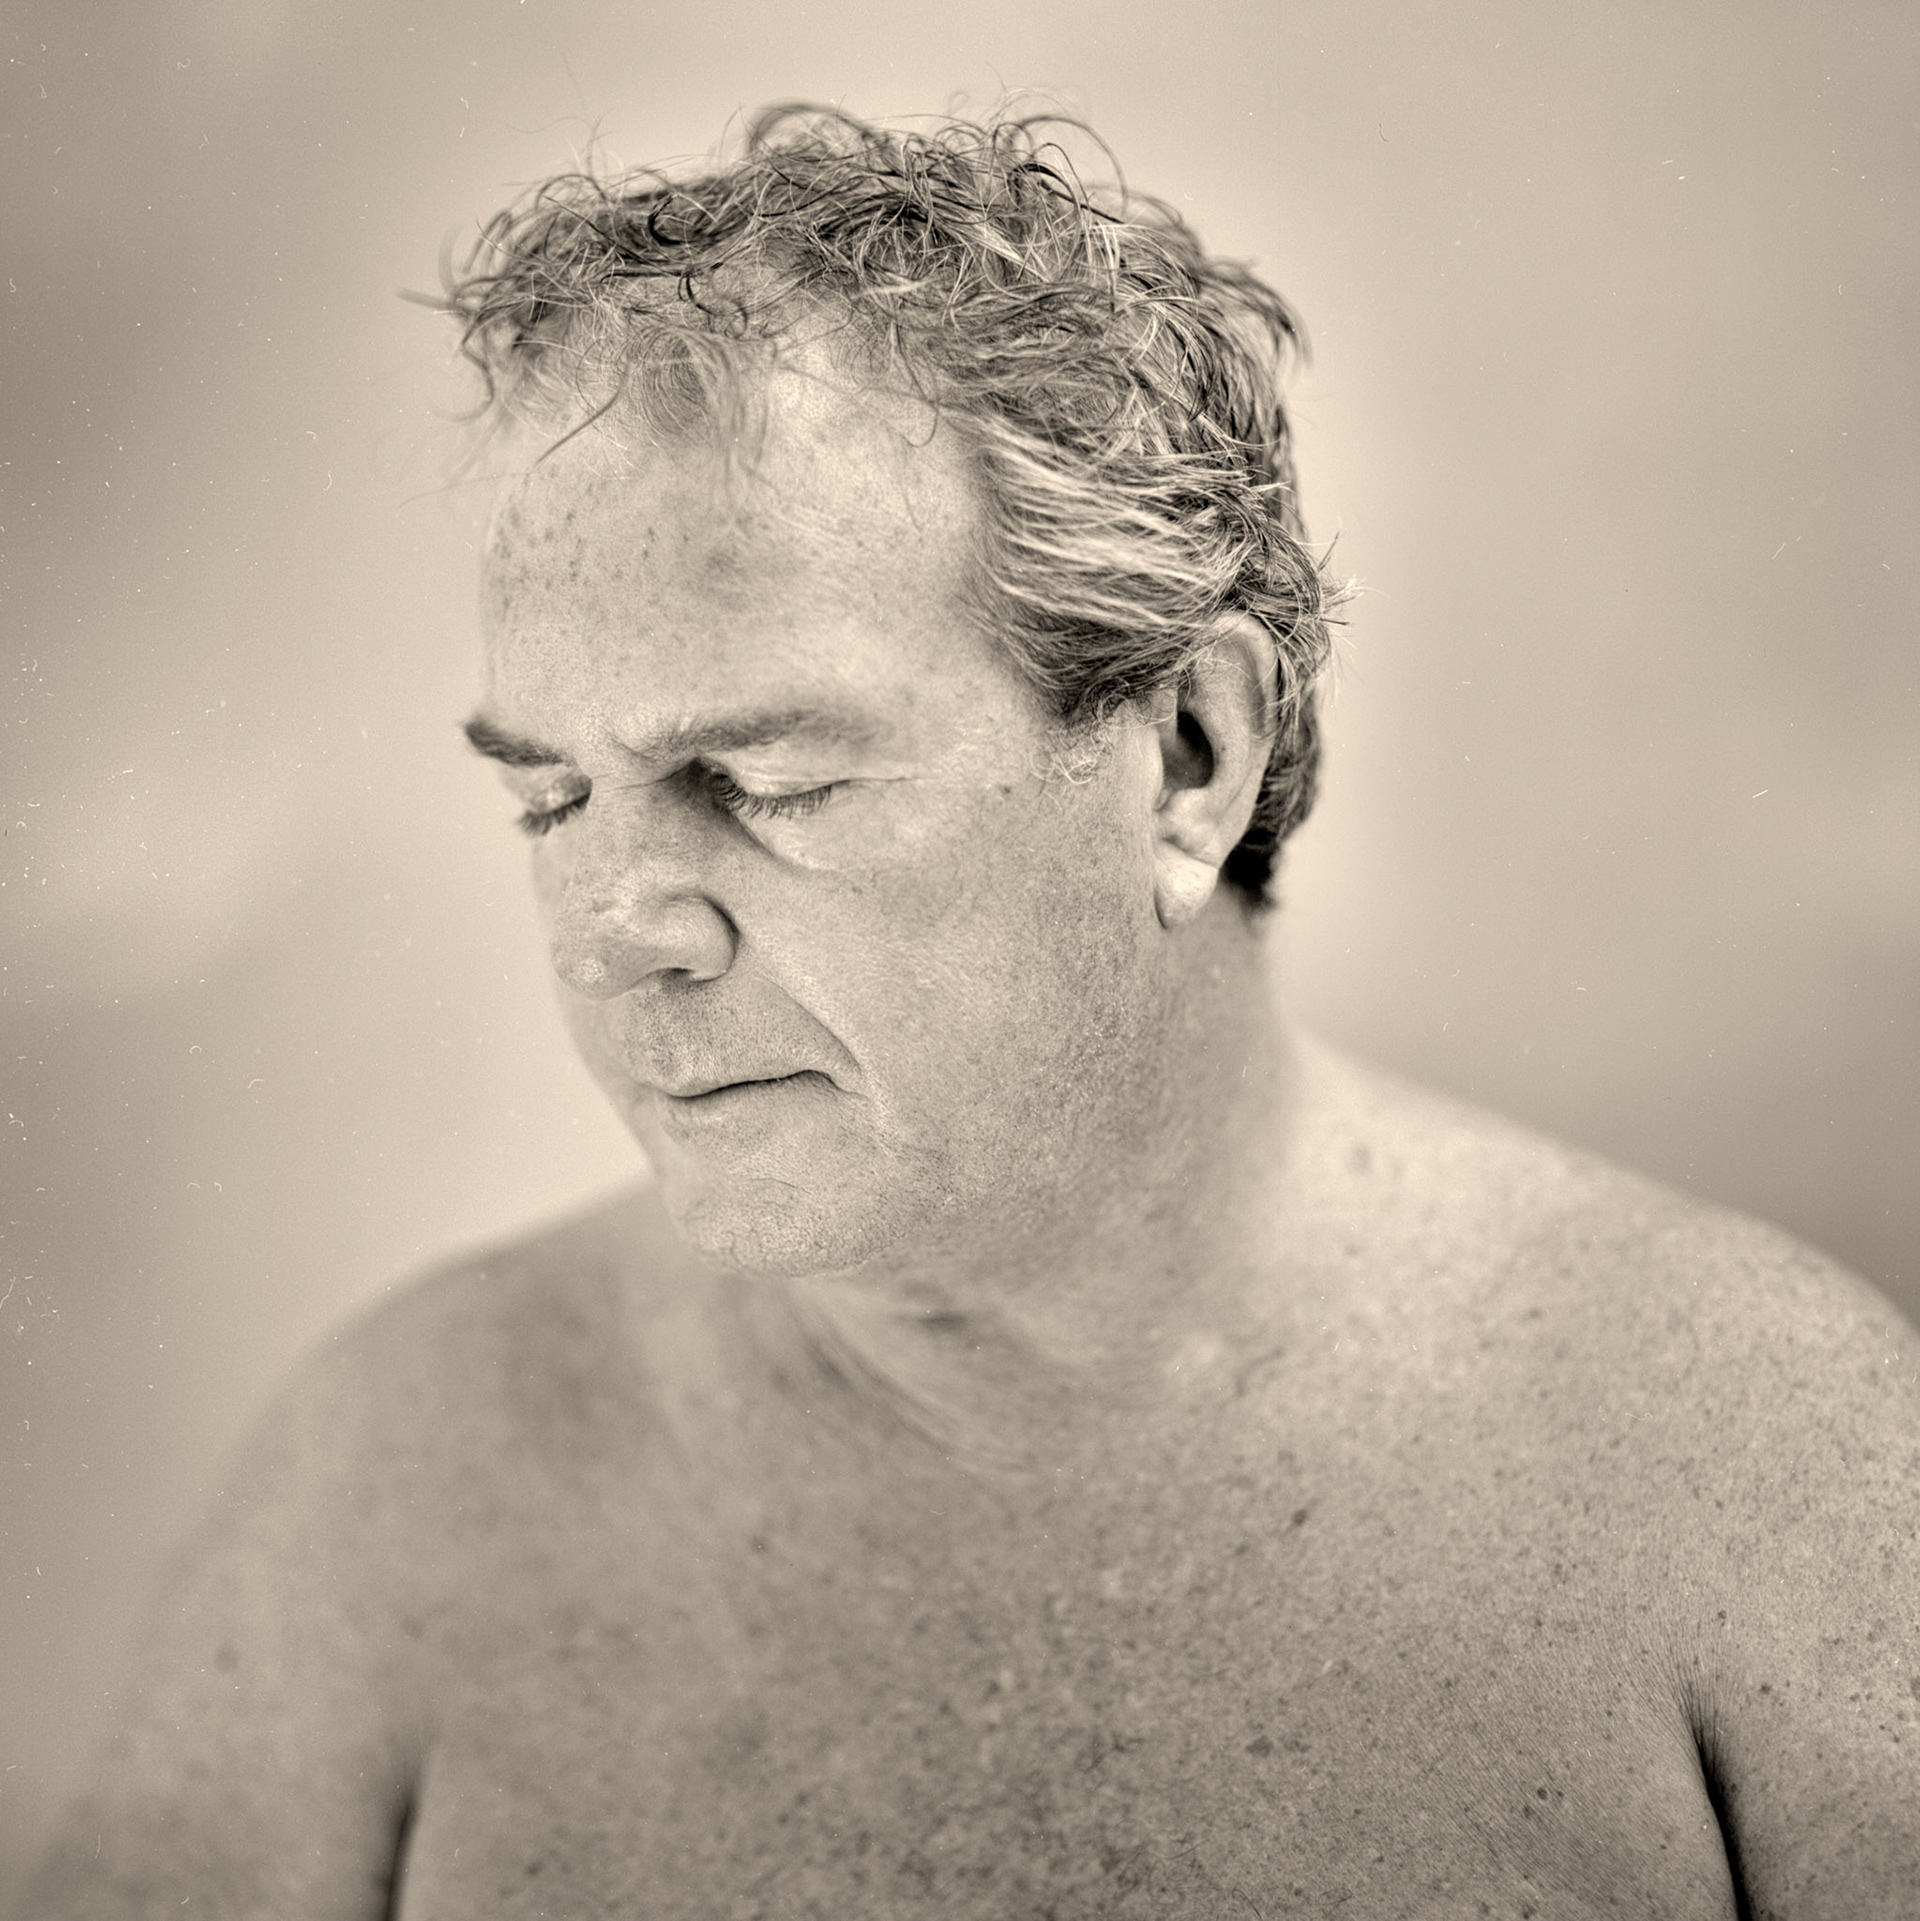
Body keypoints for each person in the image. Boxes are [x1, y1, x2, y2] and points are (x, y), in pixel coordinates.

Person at [20, 107, 1918, 1920]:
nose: (610, 934)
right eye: (549, 797)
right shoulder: (401, 1479)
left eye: (763, 780)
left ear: (1190, 754)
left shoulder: (1755, 1456)